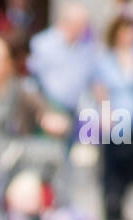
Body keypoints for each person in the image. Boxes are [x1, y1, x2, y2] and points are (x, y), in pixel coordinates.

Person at [92, 13, 133, 220]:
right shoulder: (106, 58)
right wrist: (105, 111)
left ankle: (120, 201)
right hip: (115, 116)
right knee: (112, 164)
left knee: (131, 164)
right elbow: (101, 88)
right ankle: (111, 204)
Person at [27, 1, 99, 133]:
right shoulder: (42, 44)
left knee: (85, 149)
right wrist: (45, 112)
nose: (83, 30)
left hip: (77, 111)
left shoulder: (86, 49)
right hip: (50, 109)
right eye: (80, 25)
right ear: (66, 23)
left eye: (84, 25)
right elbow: (31, 84)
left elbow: (94, 81)